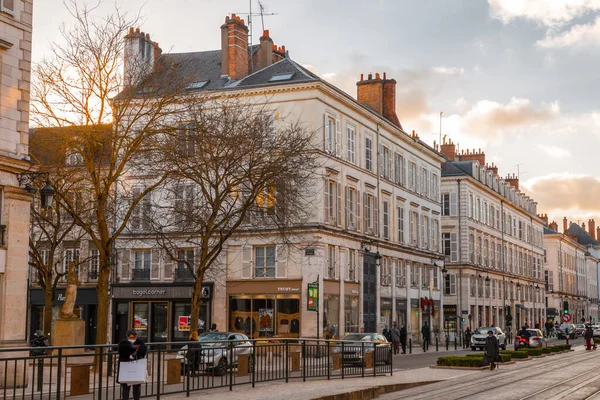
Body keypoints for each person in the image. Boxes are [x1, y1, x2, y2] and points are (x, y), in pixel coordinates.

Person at [118, 329, 147, 400]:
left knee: (136, 387)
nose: (132, 339)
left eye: (134, 337)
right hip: (126, 366)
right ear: (128, 337)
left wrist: (137, 352)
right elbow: (121, 350)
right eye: (131, 337)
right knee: (126, 387)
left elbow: (143, 350)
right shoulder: (123, 342)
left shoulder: (140, 342)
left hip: (136, 366)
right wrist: (131, 348)